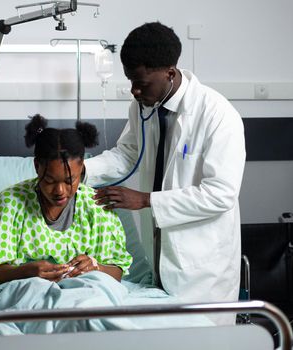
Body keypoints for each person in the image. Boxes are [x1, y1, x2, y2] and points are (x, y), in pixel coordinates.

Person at [85, 22, 246, 323]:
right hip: (159, 255)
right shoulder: (144, 105)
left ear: (170, 73)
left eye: (141, 83)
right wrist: (81, 170)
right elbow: (128, 154)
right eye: (131, 81)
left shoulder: (218, 116)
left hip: (203, 270)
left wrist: (147, 200)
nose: (134, 91)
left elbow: (220, 194)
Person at [0, 115, 132, 288]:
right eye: (49, 181)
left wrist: (95, 267)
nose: (60, 191)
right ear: (36, 167)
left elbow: (117, 272)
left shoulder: (96, 205)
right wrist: (27, 272)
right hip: (27, 293)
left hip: (83, 294)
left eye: (69, 180)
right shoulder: (12, 202)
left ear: (82, 168)